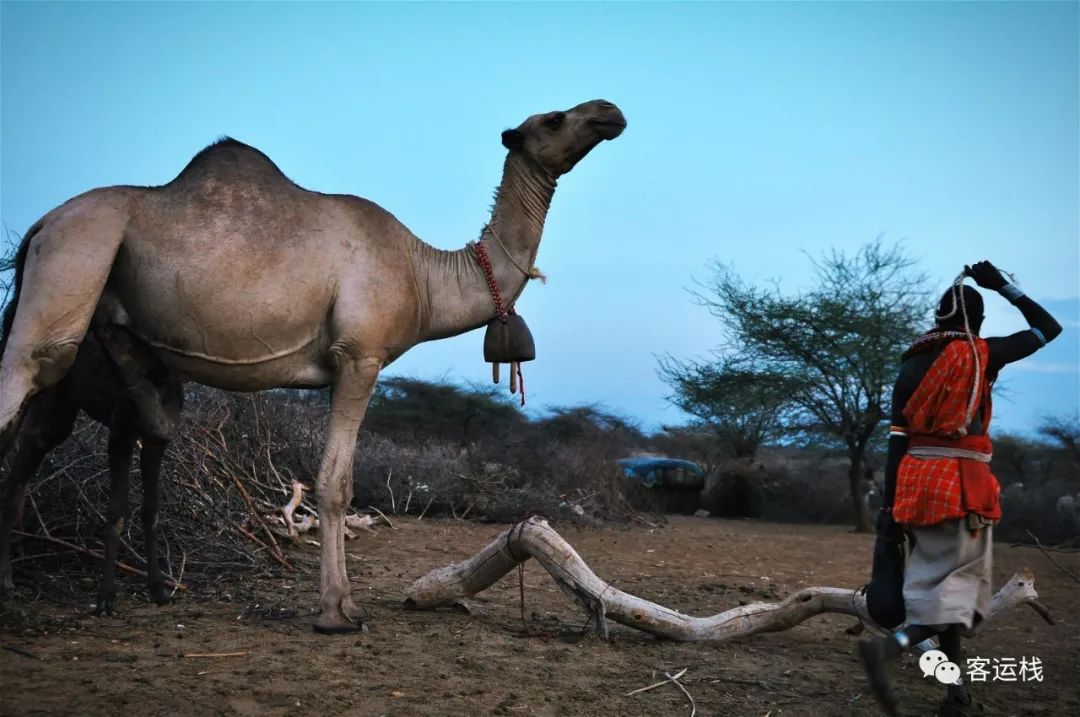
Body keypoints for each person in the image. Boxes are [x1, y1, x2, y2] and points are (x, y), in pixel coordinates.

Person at [859, 260, 1062, 717]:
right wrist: (1005, 286)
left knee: (941, 588)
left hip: (914, 485)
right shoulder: (983, 354)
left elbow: (896, 441)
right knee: (960, 596)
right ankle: (889, 649)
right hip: (961, 489)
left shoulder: (911, 362)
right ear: (980, 322)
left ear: (937, 317)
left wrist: (891, 505)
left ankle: (957, 695)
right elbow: (1049, 328)